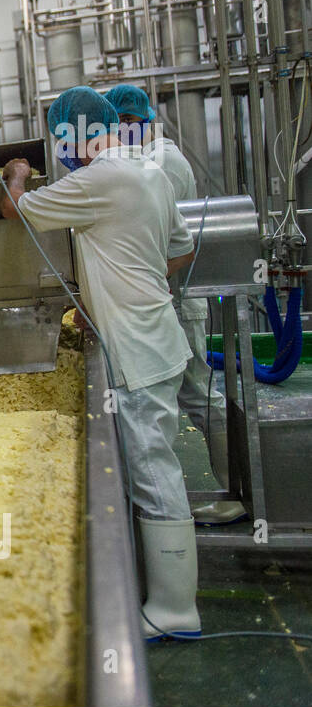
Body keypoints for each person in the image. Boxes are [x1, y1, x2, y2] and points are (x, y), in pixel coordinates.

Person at [0, 86, 201, 640]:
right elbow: (180, 250)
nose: (61, 149)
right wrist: (124, 288)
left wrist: (16, 173)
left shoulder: (97, 180)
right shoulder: (148, 174)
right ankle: (165, 593)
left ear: (77, 134)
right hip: (157, 335)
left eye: (62, 137)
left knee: (153, 469)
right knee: (151, 461)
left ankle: (174, 610)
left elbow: (14, 210)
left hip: (137, 348)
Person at [106, 83, 239, 525]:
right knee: (197, 396)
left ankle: (240, 490)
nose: (121, 132)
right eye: (116, 124)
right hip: (170, 299)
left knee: (201, 396)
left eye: (126, 124)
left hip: (176, 300)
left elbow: (163, 244)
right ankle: (234, 488)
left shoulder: (159, 162)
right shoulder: (152, 160)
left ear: (141, 121)